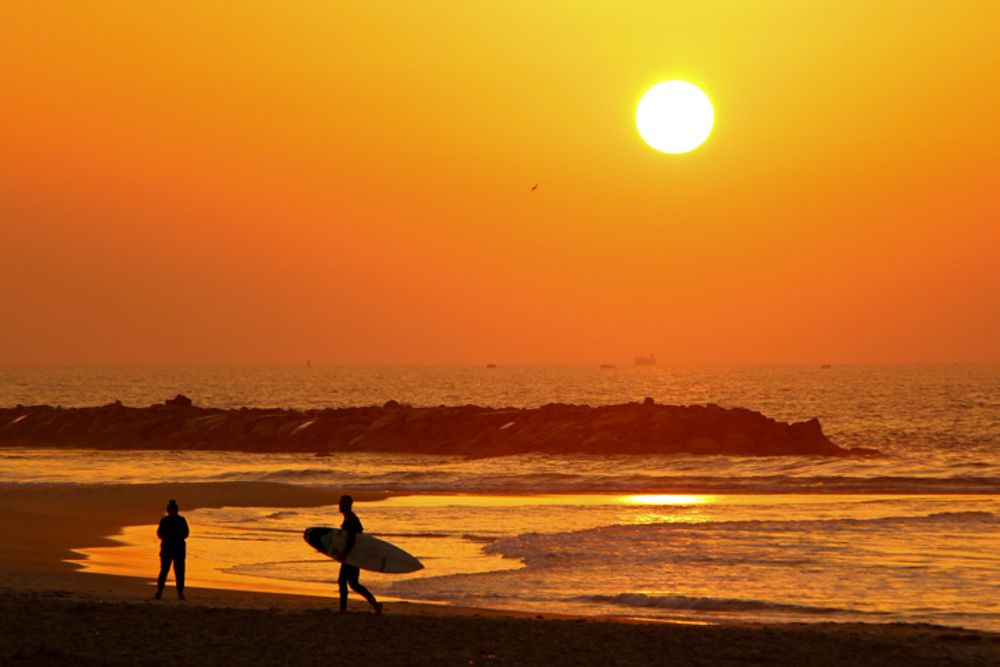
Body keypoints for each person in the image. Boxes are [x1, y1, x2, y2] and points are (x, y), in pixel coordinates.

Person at [337, 494, 382, 615]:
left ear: (348, 505)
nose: (339, 505)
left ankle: (343, 610)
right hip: (353, 555)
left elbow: (353, 539)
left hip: (352, 556)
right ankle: (375, 604)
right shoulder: (348, 518)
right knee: (353, 584)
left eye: (342, 503)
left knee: (343, 581)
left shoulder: (352, 519)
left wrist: (345, 554)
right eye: (340, 503)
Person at [155, 499, 189, 600]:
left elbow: (186, 533)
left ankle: (180, 593)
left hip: (178, 549)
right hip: (167, 549)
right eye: (171, 511)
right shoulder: (165, 520)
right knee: (164, 570)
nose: (173, 512)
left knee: (179, 572)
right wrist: (168, 537)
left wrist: (178, 537)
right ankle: (160, 591)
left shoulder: (181, 520)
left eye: (174, 511)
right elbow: (160, 534)